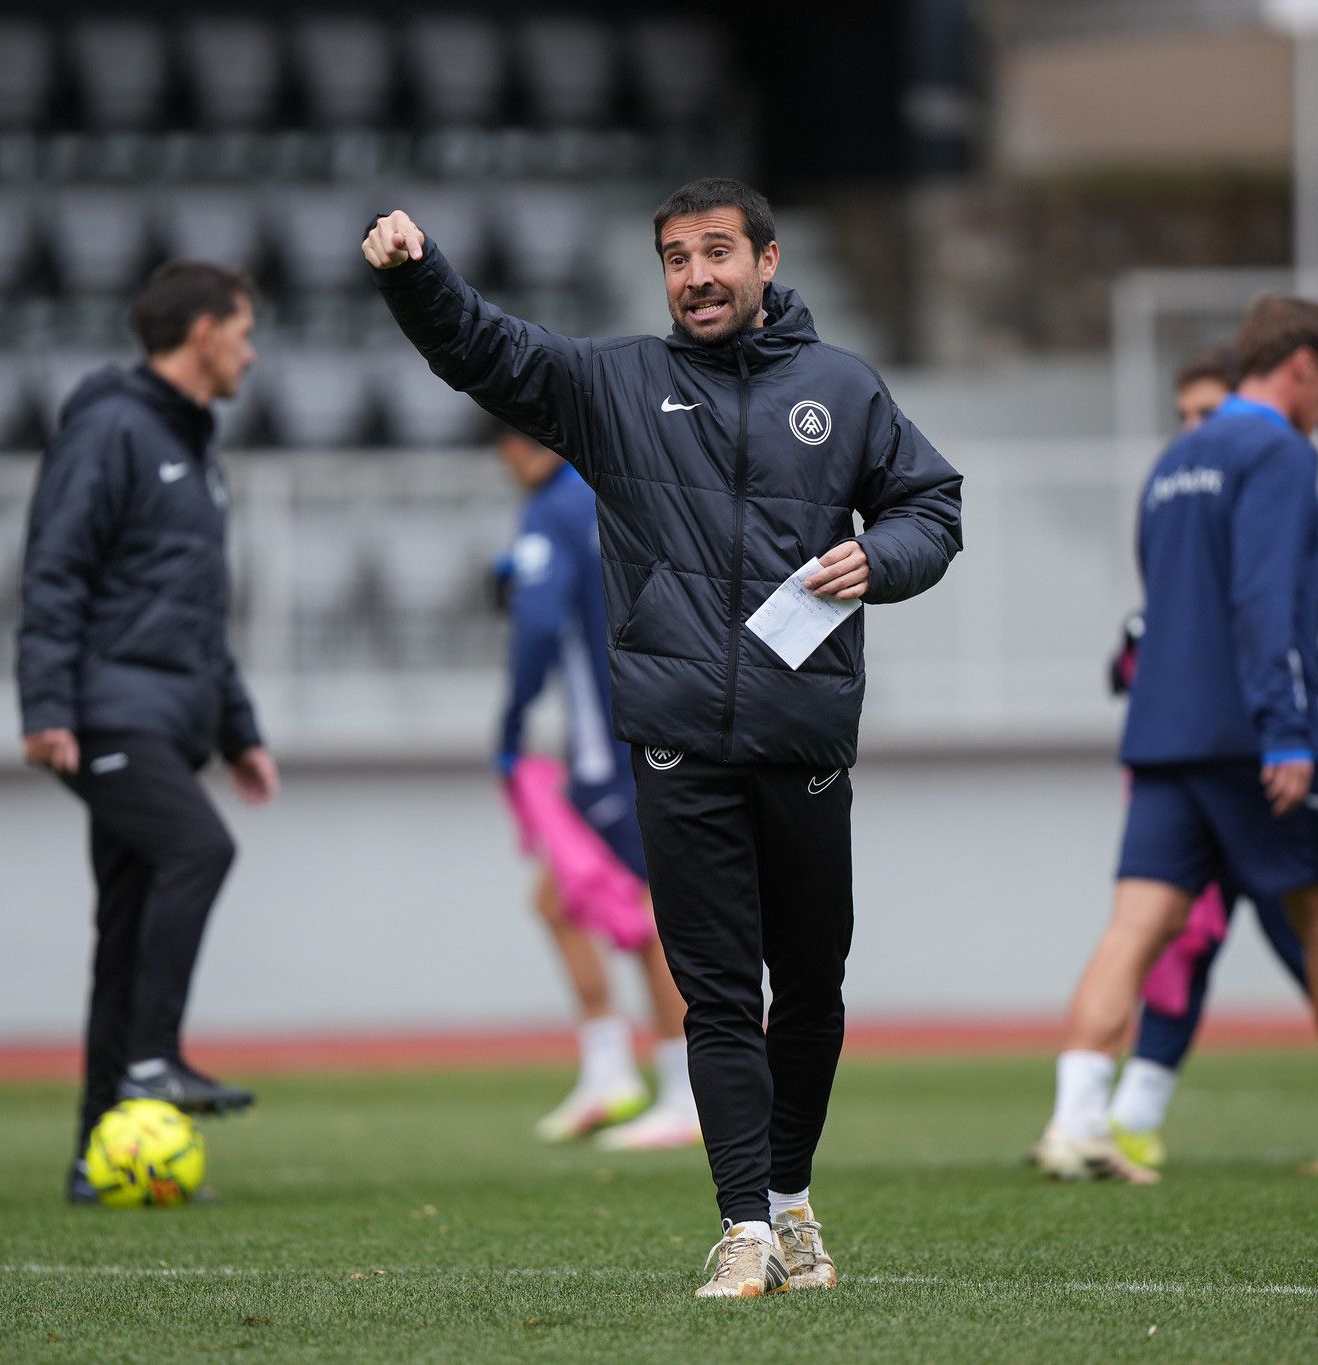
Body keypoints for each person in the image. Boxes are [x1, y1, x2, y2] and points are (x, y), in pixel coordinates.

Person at [366, 177, 962, 1297]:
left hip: (804, 741)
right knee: (718, 996)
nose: (696, 276)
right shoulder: (617, 385)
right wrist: (416, 276)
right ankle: (745, 1224)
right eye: (677, 259)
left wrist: (881, 557)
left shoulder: (844, 387)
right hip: (677, 745)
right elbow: (482, 351)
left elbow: (932, 507)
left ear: (767, 261)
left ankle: (791, 1200)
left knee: (812, 993)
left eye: (717, 252)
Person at [1035, 295, 1318, 1184]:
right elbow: (1264, 597)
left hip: (1162, 733)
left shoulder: (1173, 460)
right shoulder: (1278, 451)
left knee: (1134, 929)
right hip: (1250, 733)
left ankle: (1076, 1121)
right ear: (1301, 366)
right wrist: (1285, 729)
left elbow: (1160, 597)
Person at [16, 260, 279, 1205]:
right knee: (198, 848)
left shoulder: (191, 445)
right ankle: (153, 1058)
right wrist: (46, 706)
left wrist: (239, 729)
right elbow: (55, 567)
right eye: (243, 333)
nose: (252, 353)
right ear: (204, 333)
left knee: (124, 936)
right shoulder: (112, 428)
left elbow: (193, 611)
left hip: (169, 718)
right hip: (108, 713)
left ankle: (99, 1156)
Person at [1102, 343, 1312, 1171]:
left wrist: (1286, 727)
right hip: (1190, 765)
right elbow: (1131, 655)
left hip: (1251, 757)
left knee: (1308, 930)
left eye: (1208, 412)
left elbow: (1279, 615)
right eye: (1184, 415)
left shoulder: (1262, 485)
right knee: (1179, 946)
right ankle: (1118, 1115)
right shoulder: (1173, 494)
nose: (1194, 429)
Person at [493, 426, 701, 1152]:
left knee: (648, 916)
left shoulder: (555, 506)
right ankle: (611, 1070)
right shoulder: (615, 493)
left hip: (613, 745)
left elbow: (537, 623)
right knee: (556, 900)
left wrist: (510, 725)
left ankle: (688, 1093)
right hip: (653, 724)